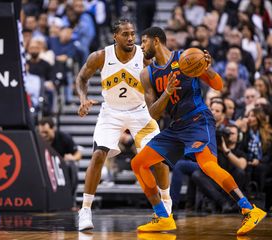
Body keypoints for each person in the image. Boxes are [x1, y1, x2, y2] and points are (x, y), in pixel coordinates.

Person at [131, 26, 266, 235]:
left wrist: (208, 69)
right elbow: (153, 114)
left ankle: (250, 209)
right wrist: (166, 93)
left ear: (156, 41)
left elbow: (219, 85)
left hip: (197, 119)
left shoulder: (186, 58)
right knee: (139, 163)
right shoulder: (147, 74)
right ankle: (163, 217)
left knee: (208, 165)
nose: (141, 46)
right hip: (176, 127)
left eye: (144, 41)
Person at [76, 19, 172, 231]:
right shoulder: (101, 56)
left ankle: (166, 200)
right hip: (111, 112)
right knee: (98, 155)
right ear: (115, 37)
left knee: (157, 158)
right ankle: (85, 210)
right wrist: (83, 99)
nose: (131, 38)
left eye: (133, 34)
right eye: (125, 34)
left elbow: (154, 85)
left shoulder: (144, 56)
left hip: (140, 112)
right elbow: (82, 78)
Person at [38, 116, 82, 204]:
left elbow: (78, 154)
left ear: (53, 129)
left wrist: (72, 157)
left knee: (71, 165)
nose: (43, 135)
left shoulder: (64, 137)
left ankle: (71, 198)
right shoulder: (37, 139)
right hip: (44, 168)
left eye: (46, 132)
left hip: (61, 169)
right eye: (41, 133)